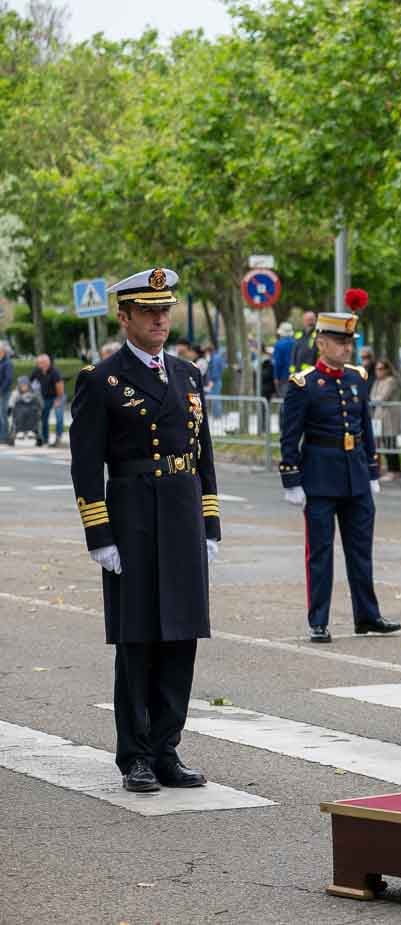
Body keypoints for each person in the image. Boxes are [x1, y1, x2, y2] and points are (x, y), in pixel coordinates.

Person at [68, 268, 219, 794]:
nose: (160, 319)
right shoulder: (100, 380)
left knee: (181, 635)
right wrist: (99, 534)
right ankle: (134, 753)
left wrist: (210, 521)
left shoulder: (187, 374)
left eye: (165, 310)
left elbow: (203, 455)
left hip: (180, 513)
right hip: (131, 517)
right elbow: (86, 466)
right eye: (148, 311)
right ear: (125, 316)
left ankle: (167, 748)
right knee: (137, 638)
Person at [278, 307, 401, 643]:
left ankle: (367, 615)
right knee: (320, 554)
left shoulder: (356, 378)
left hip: (355, 475)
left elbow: (365, 427)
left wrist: (372, 469)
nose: (346, 348)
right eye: (339, 342)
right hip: (319, 476)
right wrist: (291, 478)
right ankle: (319, 619)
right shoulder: (304, 384)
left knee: (361, 551)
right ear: (321, 343)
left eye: (349, 342)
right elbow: (290, 436)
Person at [370, 358, 401, 478]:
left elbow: (382, 397)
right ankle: (389, 468)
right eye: (376, 369)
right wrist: (375, 399)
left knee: (391, 443)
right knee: (383, 443)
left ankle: (394, 470)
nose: (378, 371)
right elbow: (372, 396)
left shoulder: (391, 381)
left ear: (387, 370)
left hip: (389, 416)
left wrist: (376, 399)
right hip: (379, 416)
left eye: (380, 369)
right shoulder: (377, 382)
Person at [30, 353, 64, 447]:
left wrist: (58, 399)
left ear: (48, 362)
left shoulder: (54, 371)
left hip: (58, 395)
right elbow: (29, 382)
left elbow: (60, 387)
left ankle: (59, 438)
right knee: (44, 417)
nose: (40, 365)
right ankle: (45, 439)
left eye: (42, 363)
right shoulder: (37, 371)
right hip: (46, 397)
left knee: (59, 416)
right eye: (39, 363)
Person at [290, 309, 318, 376]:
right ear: (303, 321)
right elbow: (294, 353)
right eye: (308, 320)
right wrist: (292, 371)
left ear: (315, 320)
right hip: (298, 373)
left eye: (311, 320)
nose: (310, 322)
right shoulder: (299, 335)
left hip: (312, 373)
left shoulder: (318, 335)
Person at [271, 321, 295, 396]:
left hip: (283, 378)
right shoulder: (296, 343)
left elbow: (277, 363)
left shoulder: (279, 345)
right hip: (296, 377)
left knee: (284, 401)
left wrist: (276, 377)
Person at [0, 340, 12, 444]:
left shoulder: (7, 363)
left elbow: (8, 379)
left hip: (4, 392)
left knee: (3, 414)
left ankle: (4, 437)